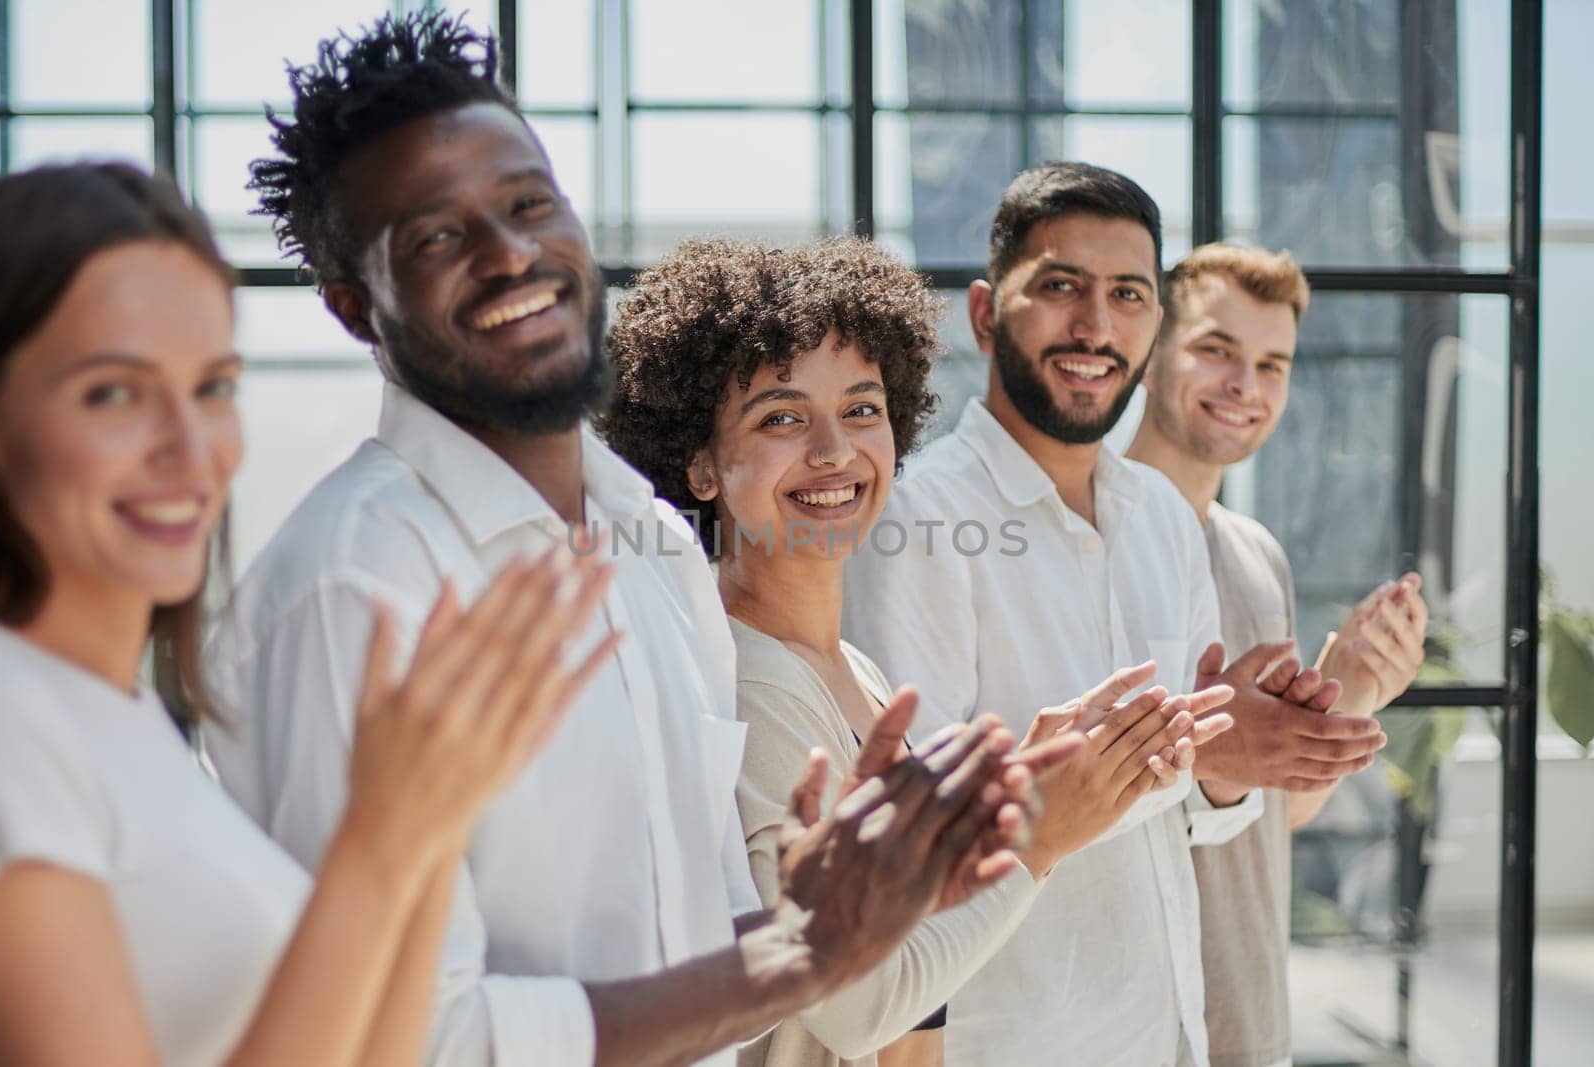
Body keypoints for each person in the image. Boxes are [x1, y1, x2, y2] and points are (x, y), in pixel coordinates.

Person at [205, 13, 1031, 1067]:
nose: (511, 253)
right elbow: (382, 1036)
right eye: (436, 236)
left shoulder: (646, 545)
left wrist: (840, 919)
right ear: (353, 306)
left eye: (528, 202)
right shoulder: (351, 585)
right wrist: (793, 960)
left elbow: (694, 944)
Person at [0, 162, 617, 1066]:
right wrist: (375, 843)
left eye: (213, 386)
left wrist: (428, 831)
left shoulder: (114, 717)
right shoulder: (14, 721)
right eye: (114, 392)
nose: (188, 445)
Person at [601, 235, 1240, 1067]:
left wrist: (1017, 783)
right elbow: (854, 1006)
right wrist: (1037, 837)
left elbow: (908, 970)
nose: (834, 451)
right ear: (699, 462)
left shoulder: (847, 669)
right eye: (782, 417)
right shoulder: (746, 681)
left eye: (862, 408)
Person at [842, 161, 1389, 1066]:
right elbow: (917, 824)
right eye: (1061, 287)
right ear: (985, 314)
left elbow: (1199, 820)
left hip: (1164, 1034)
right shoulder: (918, 520)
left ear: (1154, 325)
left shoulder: (1164, 521)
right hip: (1011, 1044)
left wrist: (1230, 752)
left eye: (1128, 295)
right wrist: (1196, 744)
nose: (1096, 326)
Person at [1124, 243, 1428, 1067]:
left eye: (1272, 364)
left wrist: (1355, 687)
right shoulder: (1090, 544)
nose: (1245, 387)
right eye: (1216, 350)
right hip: (1133, 1029)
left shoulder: (1258, 556)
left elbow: (1273, 814)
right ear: (1149, 357)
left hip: (1251, 1020)